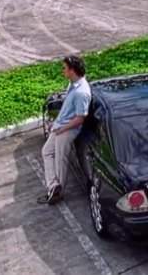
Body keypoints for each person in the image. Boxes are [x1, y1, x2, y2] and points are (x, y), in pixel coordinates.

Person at [39, 55, 91, 205]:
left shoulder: (82, 92)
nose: (63, 71)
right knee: (47, 151)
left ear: (72, 71)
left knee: (61, 159)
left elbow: (80, 118)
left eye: (65, 68)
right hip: (60, 126)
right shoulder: (72, 84)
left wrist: (63, 129)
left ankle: (58, 191)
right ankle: (54, 186)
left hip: (68, 129)